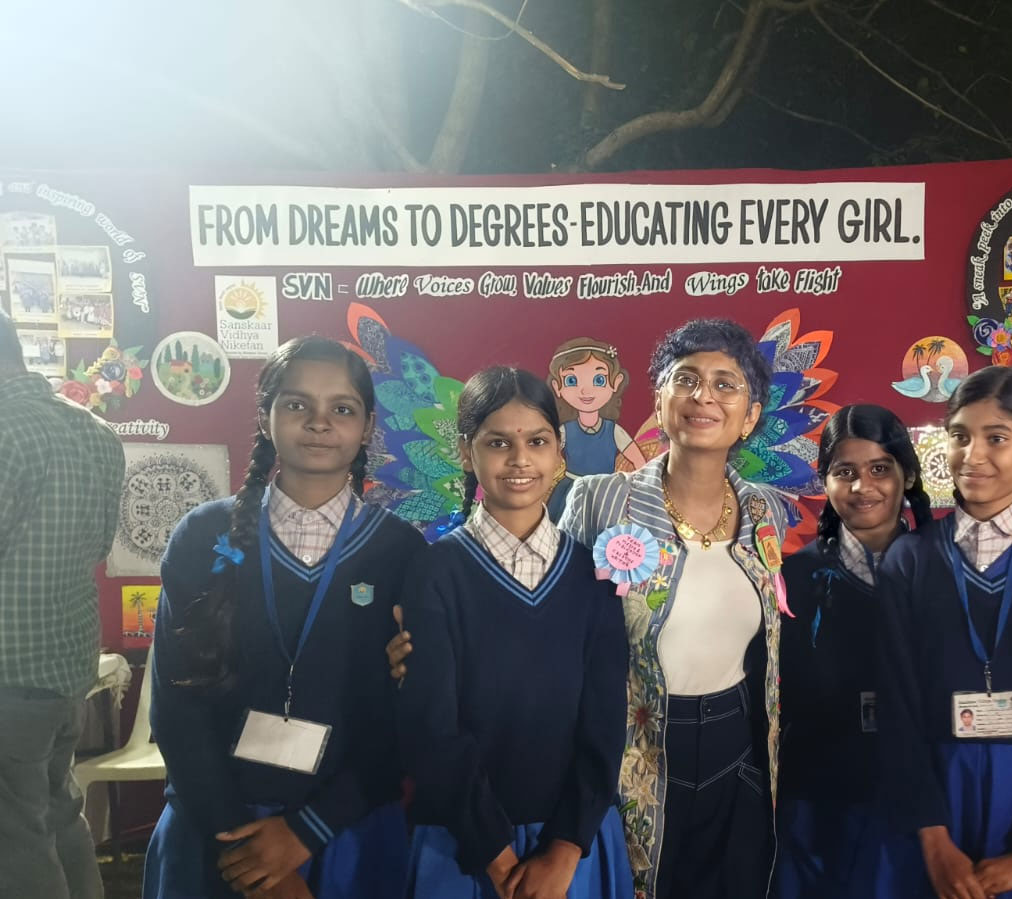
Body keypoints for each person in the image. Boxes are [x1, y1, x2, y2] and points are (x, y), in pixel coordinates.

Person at [391, 319, 789, 899]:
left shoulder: (763, 511)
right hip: (635, 759)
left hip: (739, 748)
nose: (704, 396)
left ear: (750, 415)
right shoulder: (603, 500)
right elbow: (541, 599)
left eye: (725, 384)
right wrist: (419, 658)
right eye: (686, 379)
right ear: (659, 399)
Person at [145, 336, 423, 899]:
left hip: (346, 834)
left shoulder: (402, 552)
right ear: (265, 416)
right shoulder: (203, 535)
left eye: (341, 409)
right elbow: (175, 708)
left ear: (367, 427)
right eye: (297, 404)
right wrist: (241, 851)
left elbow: (404, 715)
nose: (319, 423)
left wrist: (304, 834)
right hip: (216, 830)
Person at [398, 367, 630, 899]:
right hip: (463, 844)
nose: (520, 459)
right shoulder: (435, 572)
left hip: (571, 846)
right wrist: (499, 862)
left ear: (559, 453)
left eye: (537, 442)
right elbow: (432, 728)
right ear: (466, 452)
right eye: (498, 442)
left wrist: (565, 849)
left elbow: (604, 725)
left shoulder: (592, 575)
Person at [877, 364, 1012, 899]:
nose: (972, 456)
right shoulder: (910, 558)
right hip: (931, 799)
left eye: (996, 438)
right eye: (960, 436)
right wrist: (933, 838)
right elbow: (896, 704)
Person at [774, 404, 933, 899]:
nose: (863, 487)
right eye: (845, 472)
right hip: (819, 805)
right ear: (825, 481)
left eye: (880, 469)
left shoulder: (942, 570)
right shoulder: (794, 577)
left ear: (908, 476)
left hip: (917, 801)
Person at [0, 309, 122, 899]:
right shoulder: (96, 431)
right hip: (67, 667)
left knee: (15, 840)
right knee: (57, 813)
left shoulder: (4, 431)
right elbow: (99, 547)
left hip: (7, 674)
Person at [548, 338, 648, 476]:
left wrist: (639, 485)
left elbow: (639, 461)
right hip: (572, 486)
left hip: (606, 486)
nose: (585, 391)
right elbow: (546, 457)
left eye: (599, 380)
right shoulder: (565, 431)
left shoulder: (613, 431)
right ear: (557, 387)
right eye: (571, 380)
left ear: (616, 382)